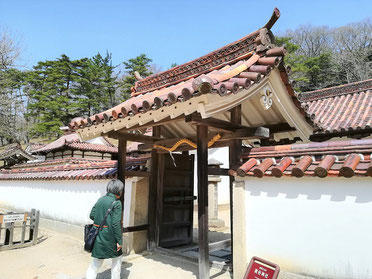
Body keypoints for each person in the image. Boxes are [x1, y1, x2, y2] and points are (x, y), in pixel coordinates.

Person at [86, 179, 124, 279]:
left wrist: (100, 220)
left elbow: (92, 215)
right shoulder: (117, 203)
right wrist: (119, 241)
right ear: (119, 190)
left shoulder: (101, 199)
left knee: (95, 264)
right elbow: (116, 224)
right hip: (110, 237)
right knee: (116, 260)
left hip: (98, 235)